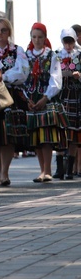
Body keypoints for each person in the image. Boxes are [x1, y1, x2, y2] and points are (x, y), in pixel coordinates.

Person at [7, 23, 66, 182]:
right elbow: (22, 77)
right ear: (30, 37)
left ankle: (47, 170)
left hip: (46, 98)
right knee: (36, 137)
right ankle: (42, 170)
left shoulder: (51, 55)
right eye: (34, 37)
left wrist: (45, 97)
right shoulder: (26, 55)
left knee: (46, 136)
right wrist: (26, 99)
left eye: (40, 37)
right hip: (31, 99)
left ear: (45, 38)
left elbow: (56, 80)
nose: (37, 40)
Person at [0, 18, 29, 186]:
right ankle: (0, 173)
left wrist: (2, 77)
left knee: (8, 134)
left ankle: (5, 172)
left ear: (9, 32)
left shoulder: (17, 50)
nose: (0, 33)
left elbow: (22, 72)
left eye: (3, 30)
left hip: (10, 94)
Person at [58, 28, 81, 180]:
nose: (68, 45)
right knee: (61, 132)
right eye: (66, 42)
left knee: (73, 133)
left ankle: (69, 169)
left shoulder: (79, 55)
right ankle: (60, 167)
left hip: (75, 95)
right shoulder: (57, 55)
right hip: (61, 95)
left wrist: (79, 76)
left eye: (70, 41)